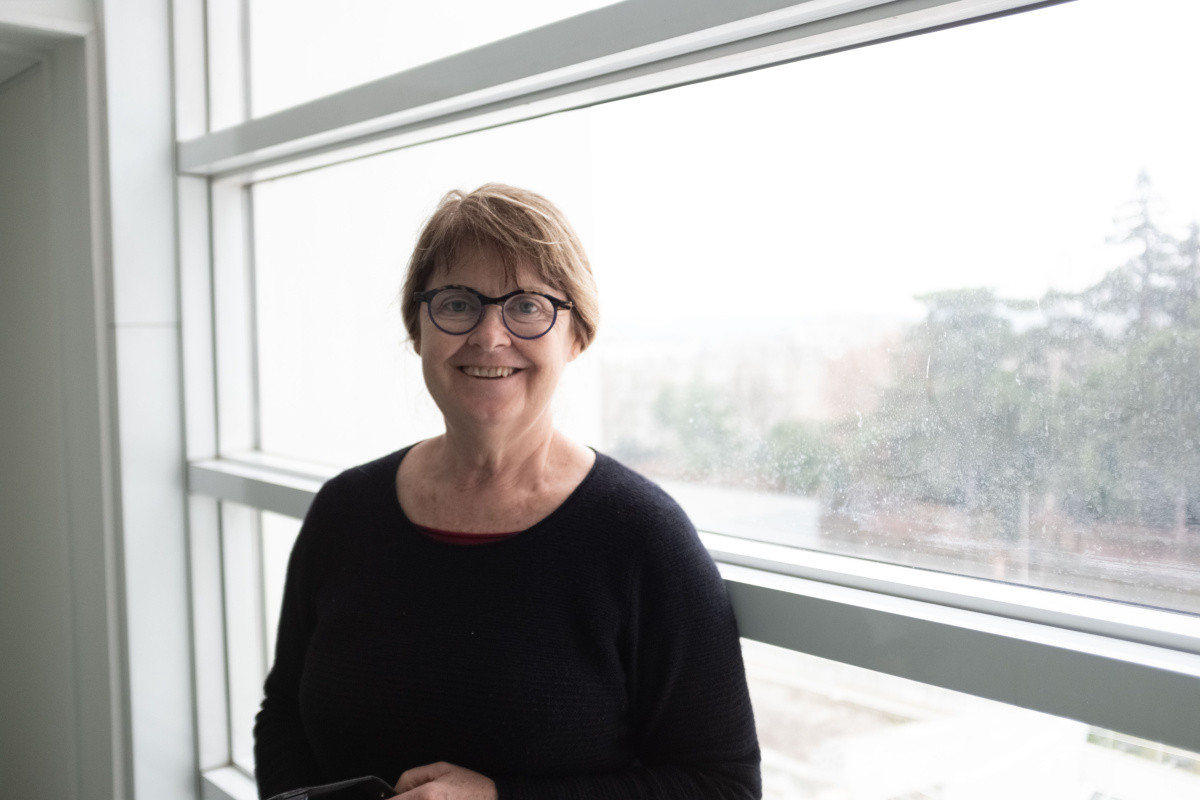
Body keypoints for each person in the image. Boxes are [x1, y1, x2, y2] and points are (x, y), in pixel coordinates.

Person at [253, 184, 761, 800]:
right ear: (417, 328)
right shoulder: (343, 512)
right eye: (457, 303)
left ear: (577, 335)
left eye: (526, 306)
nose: (490, 336)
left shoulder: (641, 538)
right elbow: (284, 717)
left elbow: (722, 786)